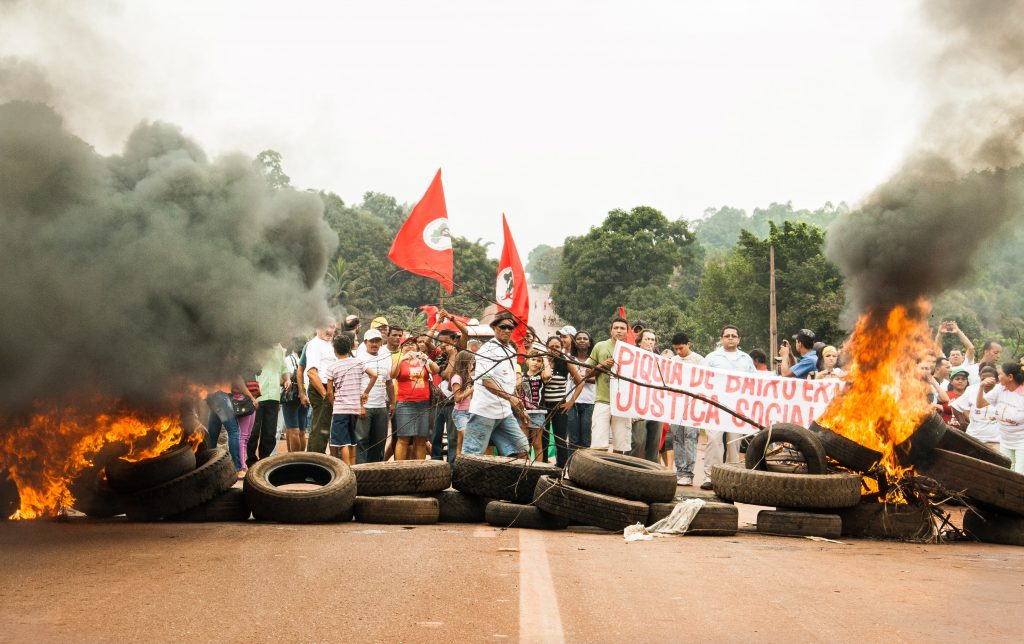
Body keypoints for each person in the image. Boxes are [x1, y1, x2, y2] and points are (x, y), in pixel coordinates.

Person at [462, 311, 531, 457]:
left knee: (522, 449)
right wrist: (511, 398)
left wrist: (519, 406)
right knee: (472, 456)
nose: (507, 330)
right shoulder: (487, 350)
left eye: (510, 327)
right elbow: (487, 381)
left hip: (504, 412)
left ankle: (509, 480)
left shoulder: (511, 350)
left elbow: (510, 383)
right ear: (494, 328)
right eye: (503, 326)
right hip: (484, 411)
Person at [702, 325, 756, 489]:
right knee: (713, 440)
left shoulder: (746, 359)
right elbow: (702, 378)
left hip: (737, 406)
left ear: (739, 339)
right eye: (727, 336)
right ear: (721, 339)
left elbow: (755, 382)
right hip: (715, 405)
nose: (730, 338)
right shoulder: (711, 357)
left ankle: (731, 477)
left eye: (734, 335)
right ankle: (710, 477)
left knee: (734, 442)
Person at [324, 332, 377, 465]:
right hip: (354, 409)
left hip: (340, 410)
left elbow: (330, 391)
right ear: (349, 348)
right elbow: (374, 375)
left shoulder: (332, 367)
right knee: (352, 441)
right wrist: (366, 393)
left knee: (342, 443)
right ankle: (354, 469)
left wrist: (333, 404)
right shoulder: (358, 362)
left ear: (334, 350)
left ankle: (347, 470)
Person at [391, 336, 440, 460]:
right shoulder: (400, 361)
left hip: (423, 403)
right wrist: (402, 359)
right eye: (406, 345)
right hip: (405, 403)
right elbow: (392, 374)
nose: (410, 347)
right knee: (403, 438)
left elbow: (436, 371)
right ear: (401, 348)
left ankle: (420, 470)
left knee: (421, 438)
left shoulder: (421, 360)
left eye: (412, 344)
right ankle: (400, 469)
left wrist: (427, 359)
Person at [587, 317, 632, 454]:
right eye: (616, 328)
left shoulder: (632, 351)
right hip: (603, 400)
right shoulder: (600, 346)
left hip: (623, 404)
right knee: (598, 444)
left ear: (626, 331)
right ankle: (599, 474)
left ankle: (615, 473)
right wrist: (602, 365)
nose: (618, 330)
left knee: (620, 445)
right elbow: (588, 373)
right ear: (611, 330)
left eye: (622, 328)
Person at [666, 332, 703, 486]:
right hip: (676, 405)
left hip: (693, 405)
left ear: (689, 344)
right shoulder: (672, 360)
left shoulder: (700, 360)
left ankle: (689, 471)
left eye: (681, 348)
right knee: (677, 438)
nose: (679, 352)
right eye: (676, 349)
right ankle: (680, 471)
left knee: (690, 438)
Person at [974, 362, 1024, 473]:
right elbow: (980, 404)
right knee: (1008, 472)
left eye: (1000, 374)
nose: (997, 377)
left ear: (1010, 377)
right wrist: (981, 386)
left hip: (1022, 442)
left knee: (1020, 474)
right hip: (1005, 440)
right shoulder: (1000, 389)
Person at [354, 328, 393, 463]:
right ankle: (361, 473)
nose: (374, 344)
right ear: (365, 342)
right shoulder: (359, 359)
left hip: (381, 406)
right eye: (372, 341)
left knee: (379, 442)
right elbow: (355, 385)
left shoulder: (386, 357)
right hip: (366, 406)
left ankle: (375, 474)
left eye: (377, 341)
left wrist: (392, 403)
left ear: (381, 343)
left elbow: (389, 382)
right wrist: (360, 406)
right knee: (361, 440)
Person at [247, 343, 289, 467]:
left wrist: (286, 379)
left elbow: (284, 368)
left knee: (269, 432)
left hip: (274, 395)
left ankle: (264, 461)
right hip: (257, 395)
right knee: (253, 431)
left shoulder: (280, 348)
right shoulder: (255, 346)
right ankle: (250, 460)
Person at [302, 320, 337, 454]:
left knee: (318, 428)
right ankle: (317, 464)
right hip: (320, 388)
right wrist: (325, 394)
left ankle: (310, 462)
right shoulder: (314, 344)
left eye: (332, 327)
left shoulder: (329, 344)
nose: (330, 330)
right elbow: (311, 372)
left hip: (328, 389)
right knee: (321, 430)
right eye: (326, 326)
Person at [630, 329, 663, 463]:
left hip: (656, 406)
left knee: (654, 445)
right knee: (638, 442)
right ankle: (628, 470)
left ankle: (651, 475)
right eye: (647, 339)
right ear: (639, 342)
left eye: (652, 339)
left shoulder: (660, 361)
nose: (650, 342)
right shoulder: (631, 359)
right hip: (638, 406)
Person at [951, 364, 1001, 448]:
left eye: (990, 379)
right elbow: (956, 406)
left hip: (995, 441)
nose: (986, 382)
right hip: (973, 439)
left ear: (997, 380)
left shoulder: (1002, 390)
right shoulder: (972, 389)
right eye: (983, 379)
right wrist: (962, 423)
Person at [563, 330, 595, 453]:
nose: (582, 340)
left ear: (589, 342)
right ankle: (571, 468)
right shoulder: (569, 359)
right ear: (575, 342)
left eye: (585, 338)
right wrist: (586, 378)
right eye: (579, 338)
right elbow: (578, 380)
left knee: (586, 440)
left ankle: (585, 469)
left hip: (590, 402)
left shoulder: (594, 360)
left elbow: (599, 379)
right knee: (573, 439)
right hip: (572, 402)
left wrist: (580, 378)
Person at [280, 337, 308, 452]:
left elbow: (284, 380)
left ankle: (294, 460)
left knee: (293, 430)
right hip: (305, 396)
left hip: (291, 398)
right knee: (302, 432)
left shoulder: (288, 360)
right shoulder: (308, 360)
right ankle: (300, 458)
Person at [519, 349, 548, 459]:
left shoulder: (542, 375)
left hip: (538, 413)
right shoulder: (521, 375)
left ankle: (537, 468)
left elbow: (548, 374)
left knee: (537, 444)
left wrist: (544, 357)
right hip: (523, 413)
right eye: (533, 359)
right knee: (523, 445)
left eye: (539, 360)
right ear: (527, 361)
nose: (535, 362)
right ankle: (523, 469)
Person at [450, 350, 476, 456]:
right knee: (468, 439)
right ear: (465, 362)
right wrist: (472, 389)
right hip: (460, 412)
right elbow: (457, 398)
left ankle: (459, 467)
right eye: (471, 362)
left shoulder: (468, 377)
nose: (473, 365)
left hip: (470, 411)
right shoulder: (457, 377)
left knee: (460, 443)